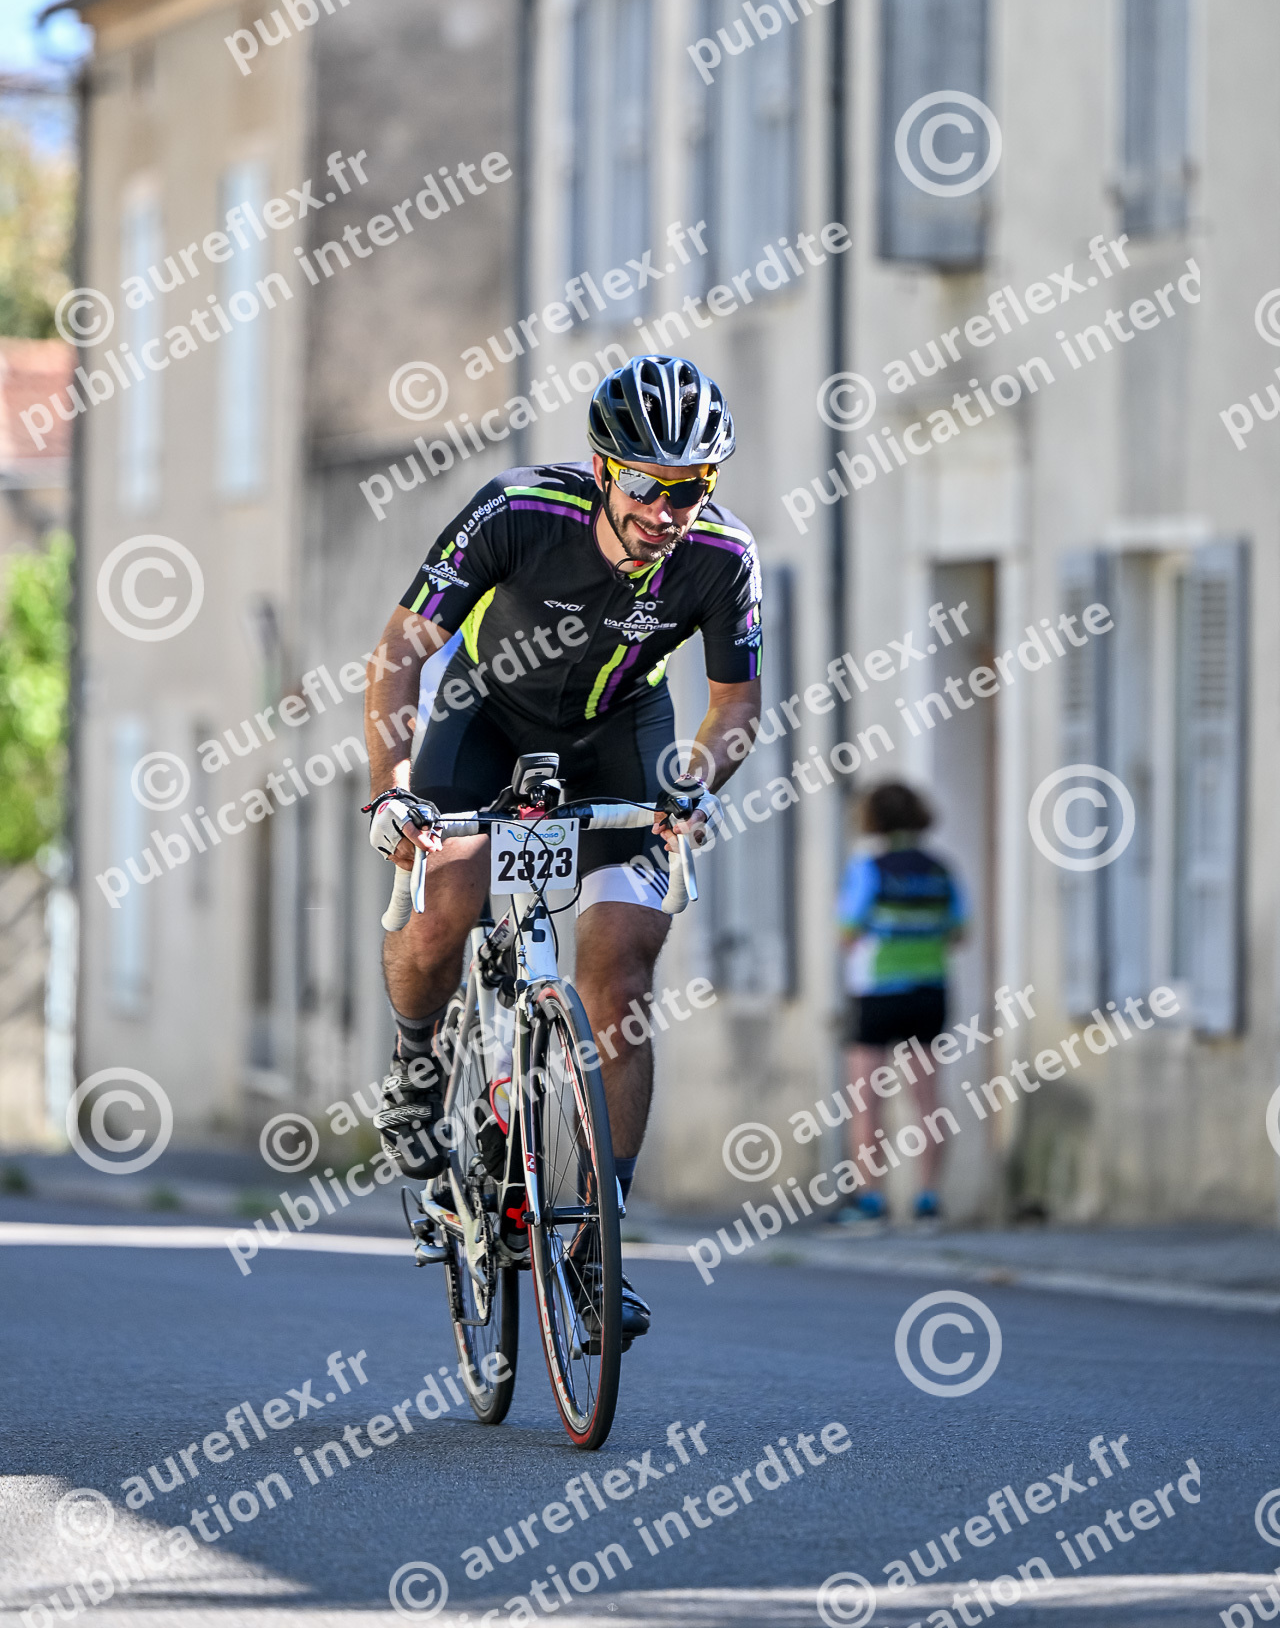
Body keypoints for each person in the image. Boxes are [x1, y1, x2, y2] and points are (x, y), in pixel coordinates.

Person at [363, 355, 762, 1341]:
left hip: (619, 738)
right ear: (603, 470)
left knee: (619, 971)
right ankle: (416, 1060)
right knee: (443, 899)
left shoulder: (721, 557)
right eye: (649, 487)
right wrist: (394, 785)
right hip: (484, 719)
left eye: (690, 488)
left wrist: (693, 785)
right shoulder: (518, 511)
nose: (667, 511)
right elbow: (404, 649)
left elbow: (734, 706)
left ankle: (596, 1242)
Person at [834, 780, 967, 1223]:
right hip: (930, 989)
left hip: (877, 991)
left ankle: (871, 1199)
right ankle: (928, 1197)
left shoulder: (868, 869)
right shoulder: (941, 870)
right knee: (927, 1100)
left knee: (867, 1101)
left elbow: (848, 931)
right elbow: (959, 931)